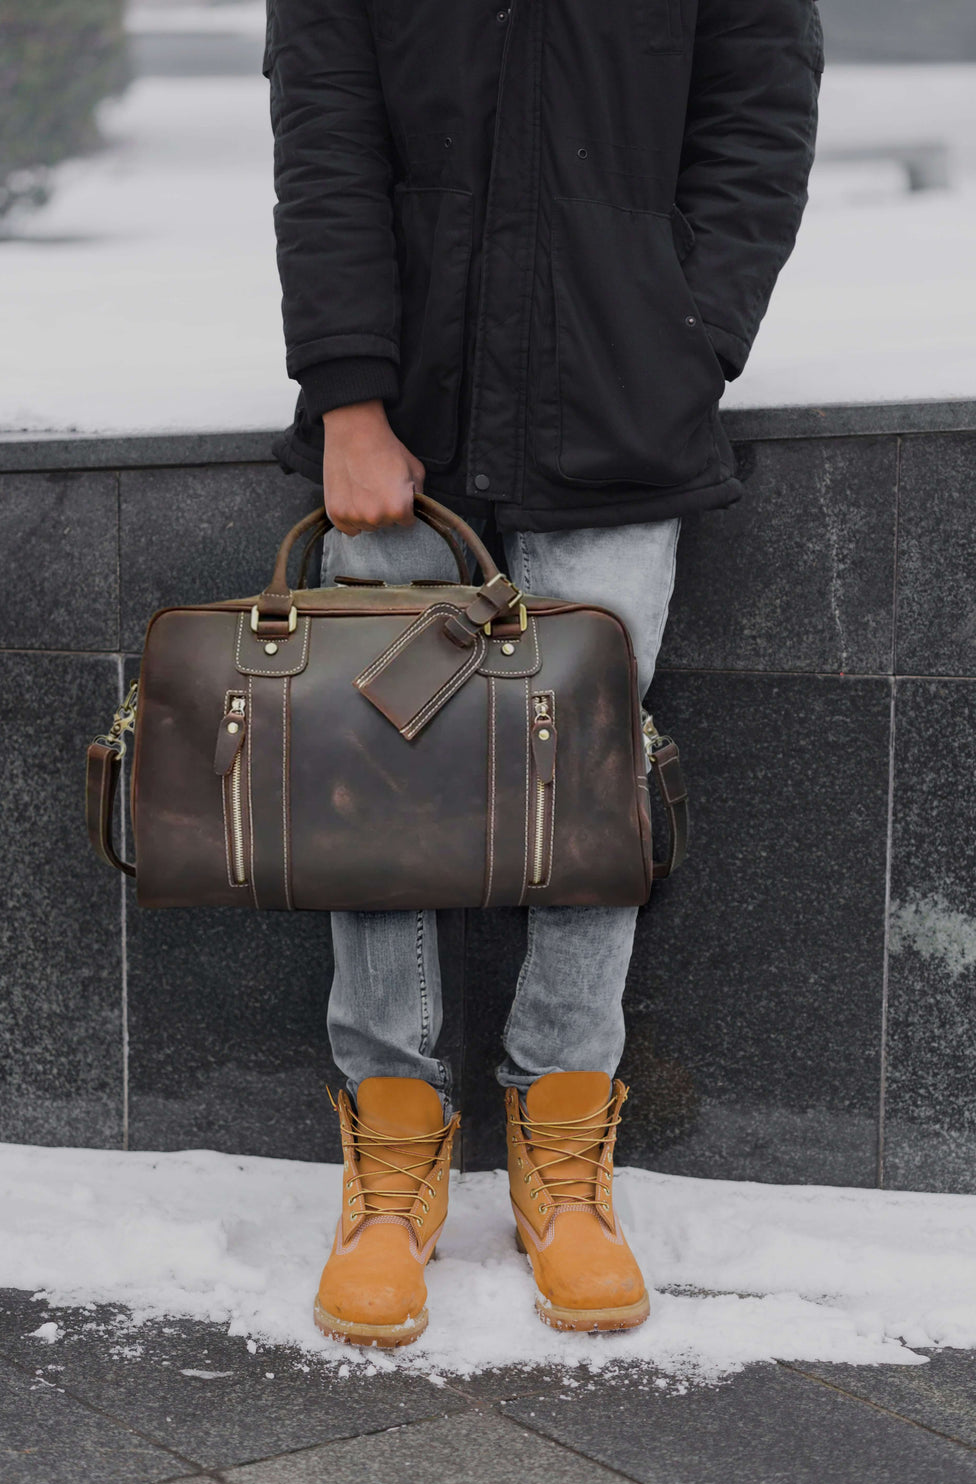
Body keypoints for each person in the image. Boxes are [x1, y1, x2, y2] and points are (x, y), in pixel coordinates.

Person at [265, 0, 823, 1348]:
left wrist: (687, 336)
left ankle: (563, 1151)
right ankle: (392, 1156)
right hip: (401, 422)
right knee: (372, 791)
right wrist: (350, 398)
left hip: (624, 410)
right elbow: (323, 135)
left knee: (590, 782)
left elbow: (761, 109)